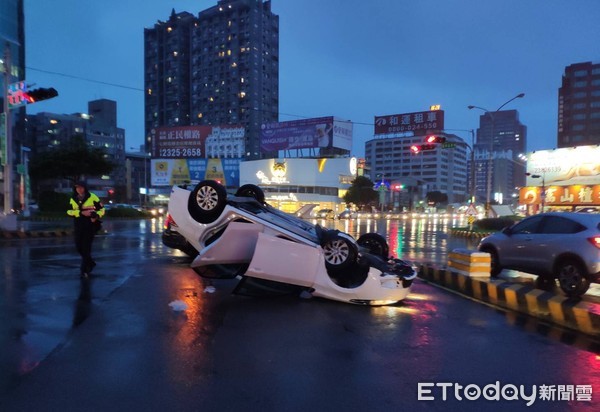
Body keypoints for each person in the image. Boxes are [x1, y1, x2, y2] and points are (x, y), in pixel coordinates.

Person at [67, 181, 105, 277]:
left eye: (81, 187)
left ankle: (85, 270)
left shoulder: (93, 197)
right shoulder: (73, 198)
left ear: (85, 188)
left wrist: (96, 215)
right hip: (78, 225)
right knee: (78, 246)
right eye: (77, 188)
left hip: (90, 225)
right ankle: (91, 262)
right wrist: (80, 213)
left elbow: (102, 209)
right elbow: (69, 211)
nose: (79, 189)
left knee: (86, 248)